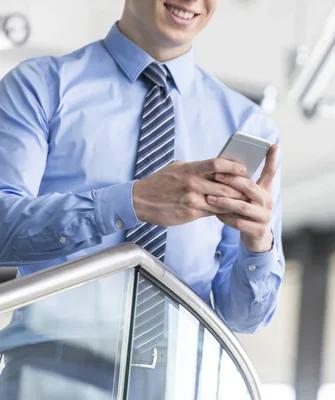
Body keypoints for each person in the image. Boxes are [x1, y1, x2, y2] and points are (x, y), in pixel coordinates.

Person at [0, 0, 284, 398]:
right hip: (50, 376)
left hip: (185, 380)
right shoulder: (40, 86)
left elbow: (245, 317)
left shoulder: (248, 124)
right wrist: (130, 202)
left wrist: (258, 246)